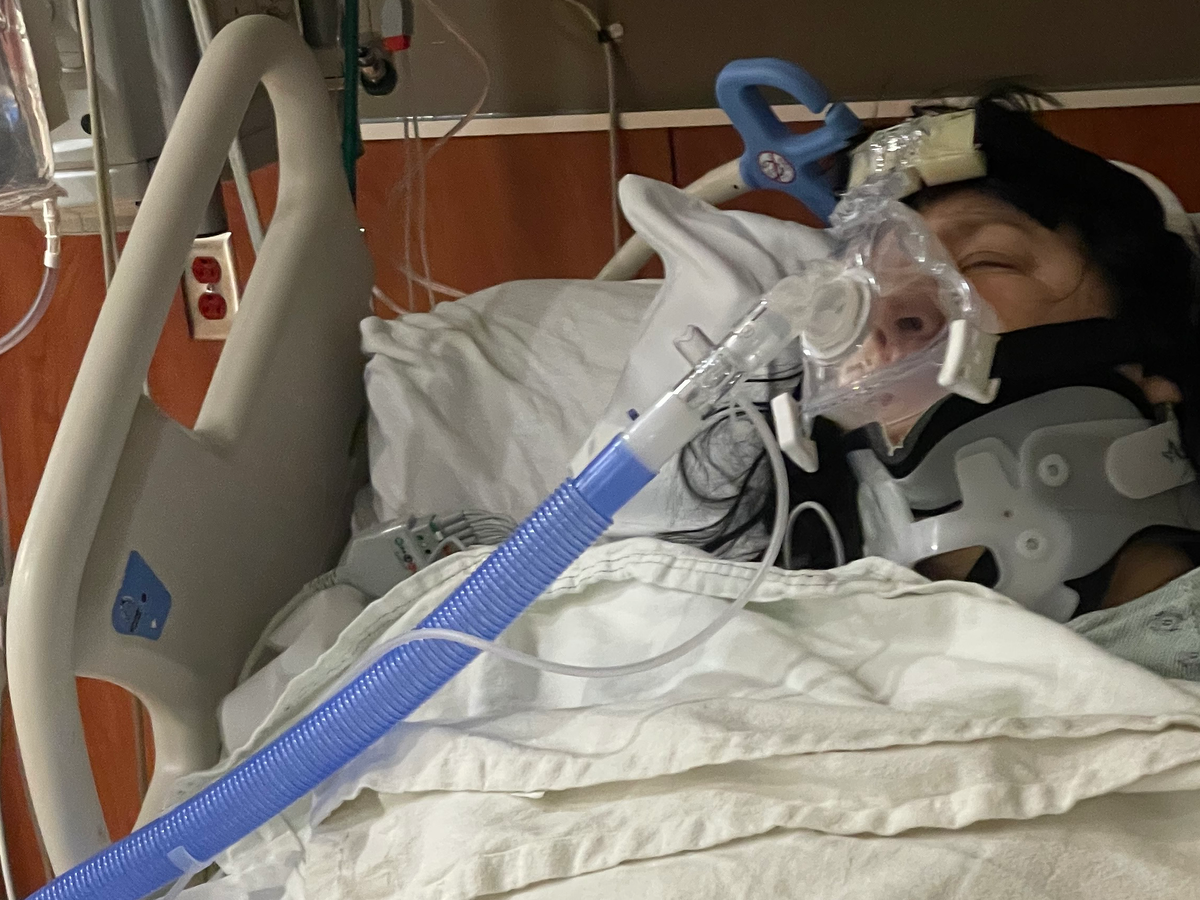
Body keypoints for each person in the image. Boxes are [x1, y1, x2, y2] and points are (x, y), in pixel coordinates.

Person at [667, 89, 1200, 618]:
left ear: (1156, 374)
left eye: (986, 260)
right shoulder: (750, 639)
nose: (887, 312)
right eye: (858, 293)